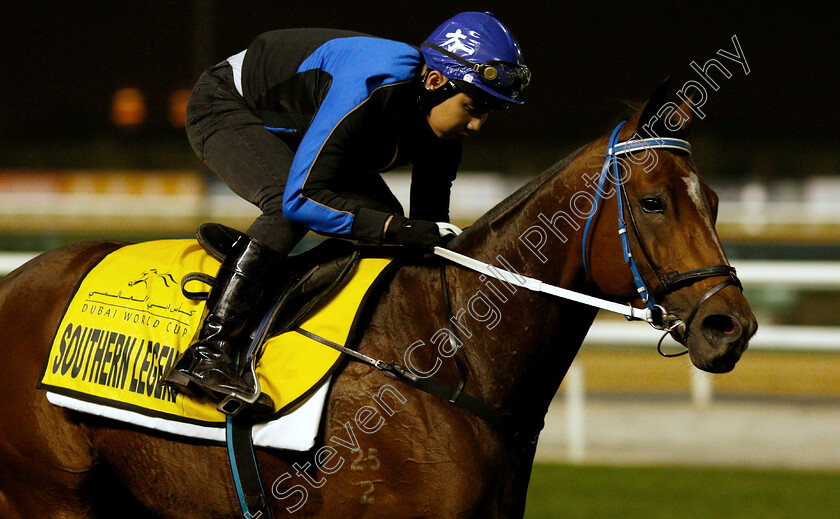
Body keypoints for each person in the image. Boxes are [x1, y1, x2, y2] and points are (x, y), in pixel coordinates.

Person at [163, 11, 531, 414]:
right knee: (291, 211)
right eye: (473, 106)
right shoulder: (376, 79)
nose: (477, 124)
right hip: (228, 105)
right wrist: (401, 229)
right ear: (435, 80)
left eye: (488, 112)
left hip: (300, 129)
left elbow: (425, 233)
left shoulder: (444, 131)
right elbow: (301, 198)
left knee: (387, 226)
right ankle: (207, 351)